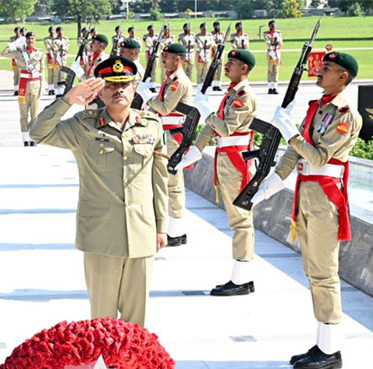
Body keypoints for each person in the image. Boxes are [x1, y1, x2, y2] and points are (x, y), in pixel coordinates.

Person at [30, 57, 168, 327]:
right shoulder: (83, 126)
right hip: (101, 236)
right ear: (100, 91)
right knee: (102, 320)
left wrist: (161, 226)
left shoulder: (151, 125)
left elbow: (159, 180)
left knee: (136, 322)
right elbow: (38, 133)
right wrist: (68, 100)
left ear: (135, 87)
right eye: (111, 85)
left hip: (141, 232)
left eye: (125, 84)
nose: (119, 90)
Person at [253, 52, 361, 369]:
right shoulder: (317, 108)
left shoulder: (345, 114)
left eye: (326, 68)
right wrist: (268, 186)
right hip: (306, 195)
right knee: (313, 273)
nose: (319, 70)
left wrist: (291, 131)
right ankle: (322, 344)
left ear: (343, 77)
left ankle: (330, 353)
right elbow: (293, 154)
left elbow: (316, 158)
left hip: (326, 199)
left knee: (325, 274)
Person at [180, 49, 260, 296]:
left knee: (241, 221)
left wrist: (208, 114)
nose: (226, 66)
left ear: (244, 68)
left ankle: (242, 279)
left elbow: (224, 128)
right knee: (236, 220)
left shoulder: (244, 96)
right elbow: (212, 127)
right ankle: (240, 276)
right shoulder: (232, 94)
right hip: (226, 160)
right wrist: (196, 150)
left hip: (237, 162)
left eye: (232, 63)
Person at [137, 43, 193, 247]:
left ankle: (177, 231)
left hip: (173, 137)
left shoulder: (179, 82)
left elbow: (166, 107)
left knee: (173, 183)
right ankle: (173, 229)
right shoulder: (171, 79)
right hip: (166, 135)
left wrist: (148, 97)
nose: (163, 59)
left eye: (166, 57)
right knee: (167, 182)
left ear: (177, 59)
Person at [2, 31, 44, 147]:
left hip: (35, 85)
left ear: (34, 40)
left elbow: (42, 70)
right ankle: (25, 138)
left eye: (32, 39)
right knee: (24, 114)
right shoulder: (20, 53)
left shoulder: (39, 53)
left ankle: (33, 137)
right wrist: (13, 44)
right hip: (23, 86)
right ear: (25, 40)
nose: (30, 41)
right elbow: (3, 53)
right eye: (28, 39)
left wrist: (43, 85)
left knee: (35, 115)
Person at [264, 20, 283, 95]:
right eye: (272, 25)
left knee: (276, 70)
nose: (273, 27)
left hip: (277, 52)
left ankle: (275, 87)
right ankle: (269, 87)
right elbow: (268, 42)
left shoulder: (278, 33)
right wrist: (272, 43)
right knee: (270, 70)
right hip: (271, 53)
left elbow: (281, 43)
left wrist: (277, 40)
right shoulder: (266, 34)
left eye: (274, 25)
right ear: (269, 26)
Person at [55, 26, 70, 97]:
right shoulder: (54, 40)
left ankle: (61, 91)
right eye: (59, 32)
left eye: (62, 31)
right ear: (57, 32)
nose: (61, 33)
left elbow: (67, 48)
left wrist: (63, 48)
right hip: (56, 58)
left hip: (63, 58)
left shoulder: (65, 39)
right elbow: (54, 49)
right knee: (56, 74)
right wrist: (59, 49)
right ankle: (57, 91)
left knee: (63, 74)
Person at [211, 21, 225, 91]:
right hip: (215, 51)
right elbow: (212, 42)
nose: (217, 27)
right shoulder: (211, 34)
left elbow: (224, 41)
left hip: (221, 52)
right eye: (216, 26)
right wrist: (216, 46)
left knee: (220, 69)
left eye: (218, 26)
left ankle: (219, 84)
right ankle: (214, 85)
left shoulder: (222, 33)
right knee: (214, 69)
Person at [10, 26, 21, 95]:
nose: (17, 33)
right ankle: (16, 89)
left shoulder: (23, 38)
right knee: (15, 74)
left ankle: (20, 88)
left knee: (21, 74)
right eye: (16, 32)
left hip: (21, 58)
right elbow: (12, 46)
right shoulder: (12, 39)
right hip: (14, 57)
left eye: (19, 31)